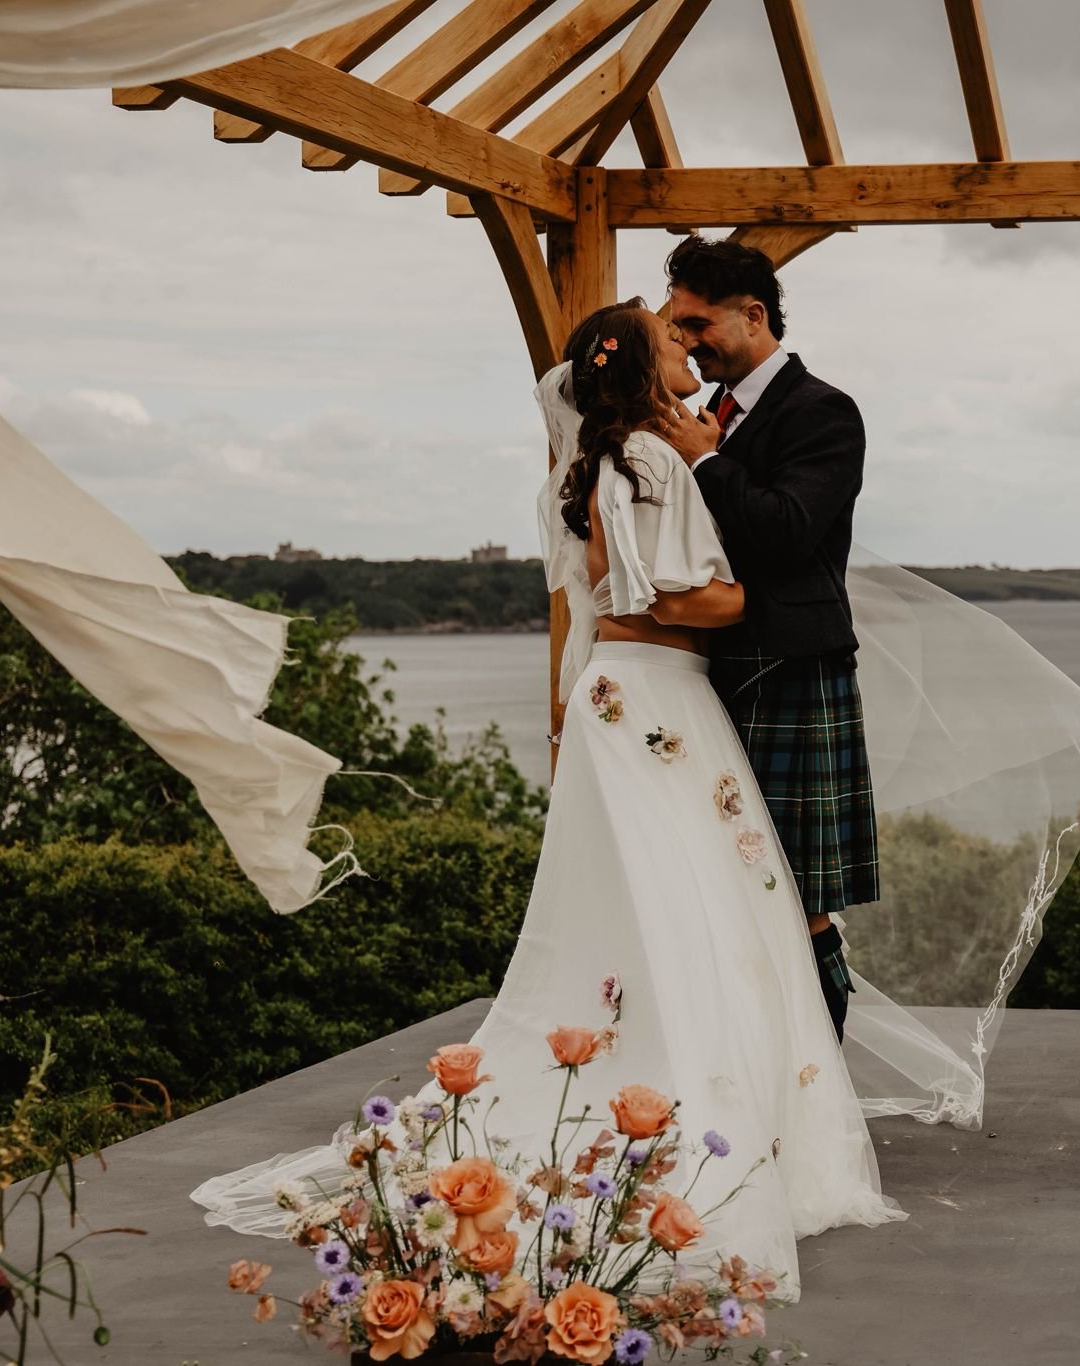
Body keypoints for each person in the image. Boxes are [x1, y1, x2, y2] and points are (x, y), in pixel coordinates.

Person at [191, 299, 905, 1300]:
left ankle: (669, 1095)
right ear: (645, 374)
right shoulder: (656, 461)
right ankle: (708, 1124)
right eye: (670, 340)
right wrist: (770, 595)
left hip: (628, 699)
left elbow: (612, 587)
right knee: (697, 913)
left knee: (648, 912)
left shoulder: (595, 467)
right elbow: (673, 596)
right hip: (661, 695)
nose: (686, 346)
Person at [656, 237, 870, 1042]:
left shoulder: (823, 410)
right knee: (726, 883)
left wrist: (709, 459)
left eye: (697, 323)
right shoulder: (708, 418)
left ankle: (821, 1088)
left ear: (753, 314)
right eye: (678, 327)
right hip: (712, 672)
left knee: (799, 894)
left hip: (790, 668)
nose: (687, 340)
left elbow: (786, 531)